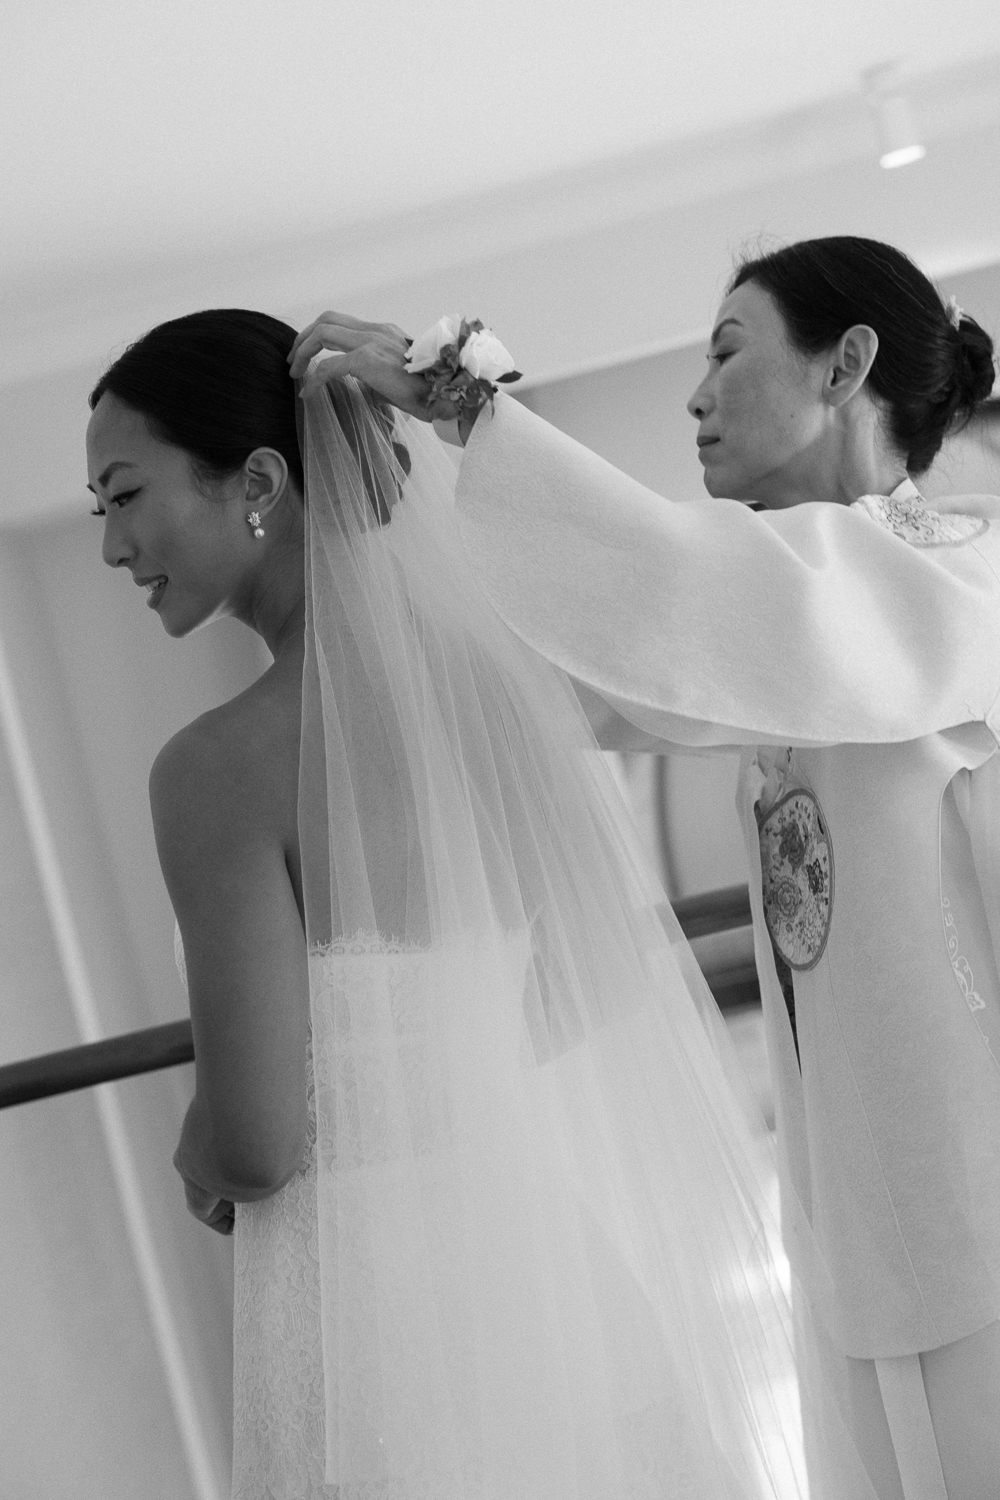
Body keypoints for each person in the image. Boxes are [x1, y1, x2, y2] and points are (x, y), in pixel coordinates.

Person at [86, 309, 881, 1499]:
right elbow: (588, 971)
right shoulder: (488, 693)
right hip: (551, 1279)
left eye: (124, 495)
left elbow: (255, 1142)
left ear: (256, 481)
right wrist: (445, 1073)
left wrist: (199, 1146)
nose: (111, 545)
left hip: (376, 1322)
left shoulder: (209, 772)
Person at [289, 236, 1000, 1500]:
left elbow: (683, 590)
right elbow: (581, 670)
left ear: (845, 364)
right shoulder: (787, 619)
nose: (696, 395)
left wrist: (463, 404)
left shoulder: (958, 575)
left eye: (727, 352)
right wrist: (379, 525)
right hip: (862, 1191)